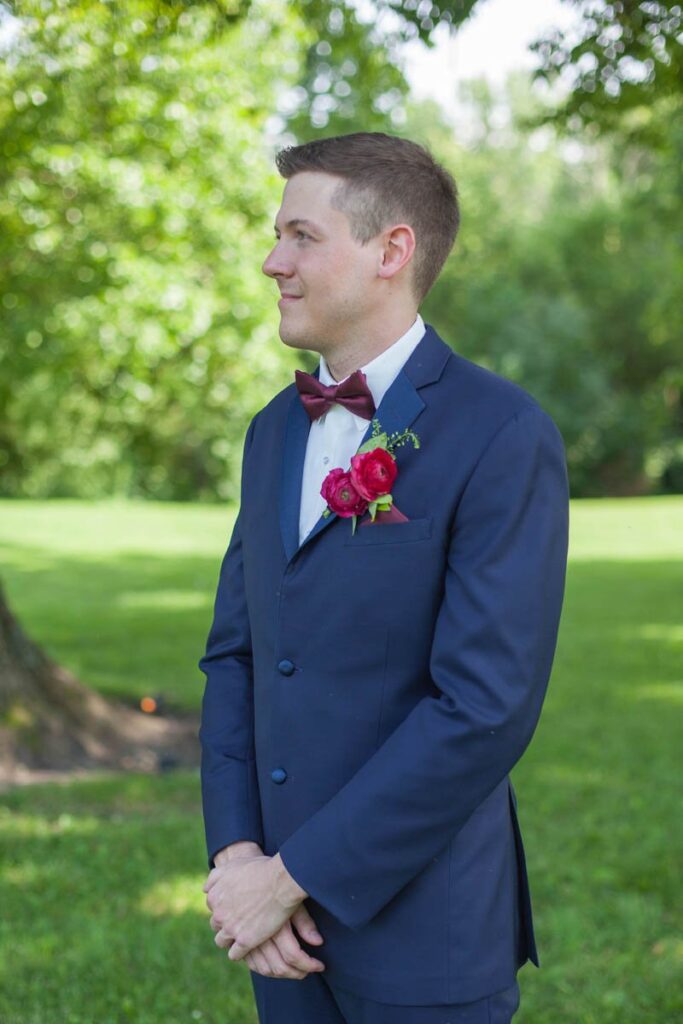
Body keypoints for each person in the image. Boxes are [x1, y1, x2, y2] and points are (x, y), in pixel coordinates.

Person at [199, 131, 569, 1024]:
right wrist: (237, 859)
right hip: (277, 935)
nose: (269, 260)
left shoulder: (502, 433)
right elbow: (236, 658)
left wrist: (291, 878)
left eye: (300, 236)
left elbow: (482, 709)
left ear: (390, 250)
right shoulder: (270, 432)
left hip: (424, 934)